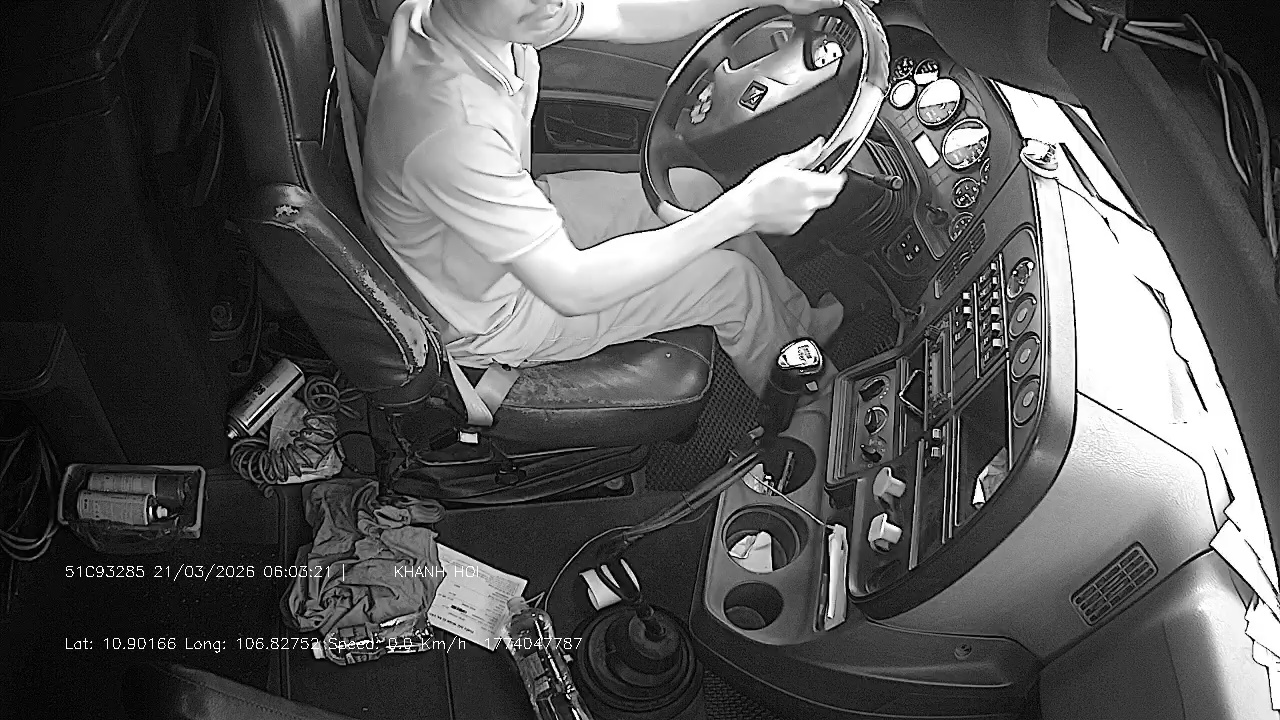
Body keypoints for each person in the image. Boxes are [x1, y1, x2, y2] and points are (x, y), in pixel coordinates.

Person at [362, 0, 848, 398]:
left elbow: (623, 14)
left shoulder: (463, 17)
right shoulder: (451, 134)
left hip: (491, 237)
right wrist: (743, 210)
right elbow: (572, 287)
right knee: (731, 283)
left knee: (693, 190)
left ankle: (798, 327)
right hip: (495, 311)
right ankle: (811, 402)